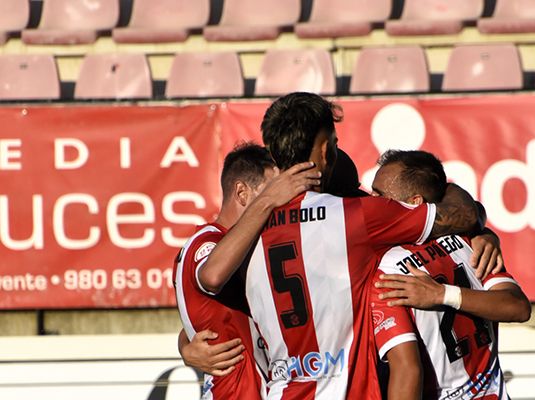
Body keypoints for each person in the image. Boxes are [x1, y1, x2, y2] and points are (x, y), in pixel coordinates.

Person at [198, 92, 484, 400]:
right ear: (325, 149)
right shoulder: (358, 216)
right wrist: (463, 206)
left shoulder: (244, 235)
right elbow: (464, 215)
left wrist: (187, 347)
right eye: (334, 142)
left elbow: (209, 290)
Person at [370, 150, 531, 399]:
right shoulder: (469, 241)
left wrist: (442, 294)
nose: (370, 202)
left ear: (414, 203)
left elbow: (407, 373)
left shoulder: (386, 270)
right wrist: (486, 234)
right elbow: (517, 307)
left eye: (379, 195)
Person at [173, 143, 321, 399]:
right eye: (272, 191)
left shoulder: (255, 248)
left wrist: (185, 345)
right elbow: (212, 276)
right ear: (242, 193)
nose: (281, 202)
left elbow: (211, 319)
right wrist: (267, 201)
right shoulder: (207, 241)